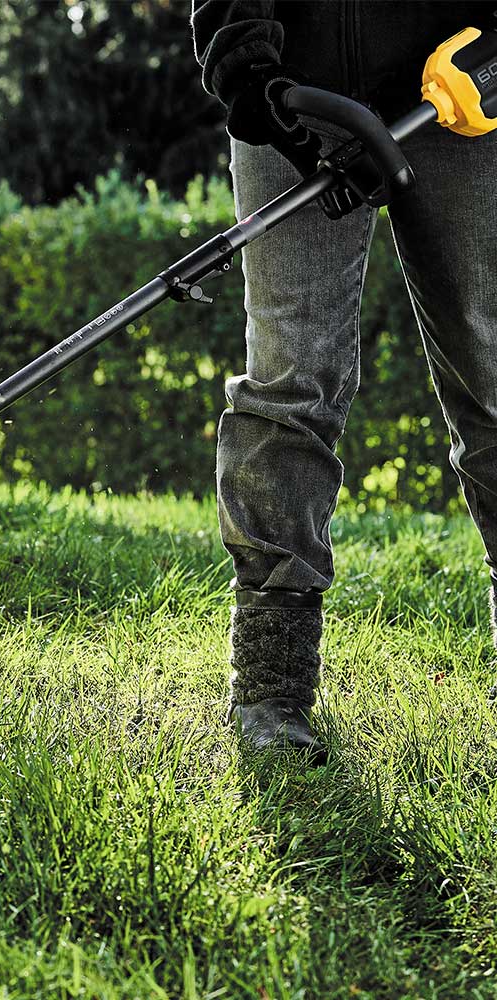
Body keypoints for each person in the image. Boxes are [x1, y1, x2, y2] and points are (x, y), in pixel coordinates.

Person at [190, 0, 497, 762]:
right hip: (297, 91)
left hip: (461, 74)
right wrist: (248, 70)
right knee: (288, 385)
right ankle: (271, 685)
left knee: (493, 380)